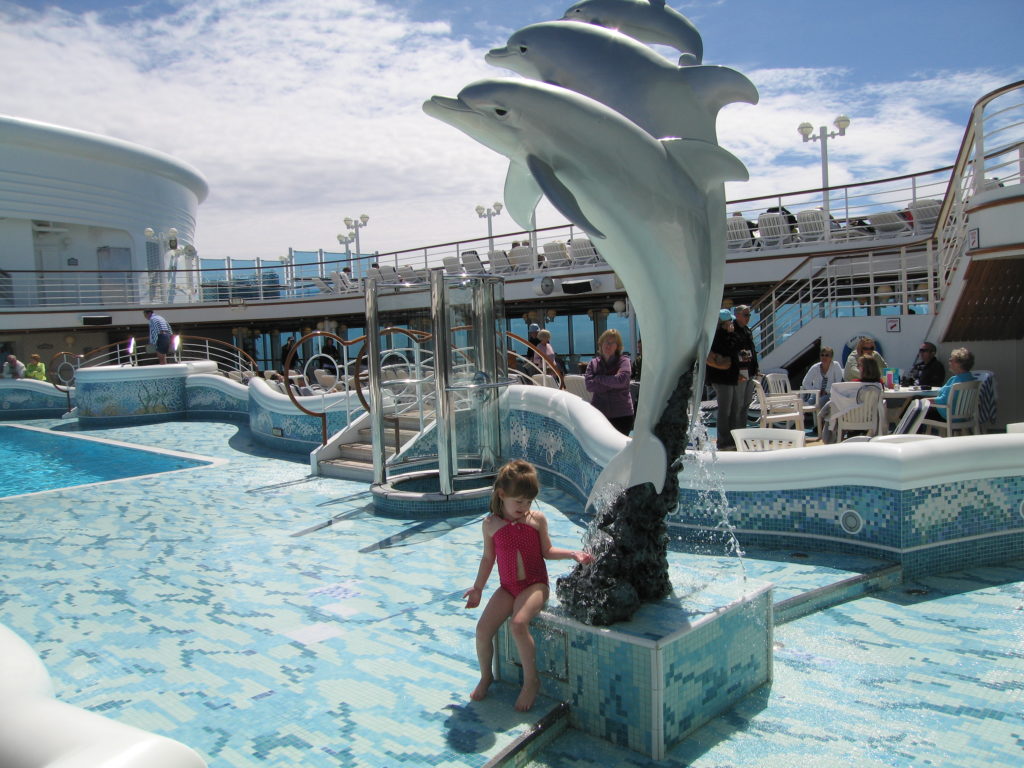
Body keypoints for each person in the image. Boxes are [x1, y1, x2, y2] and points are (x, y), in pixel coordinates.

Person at [463, 460, 592, 712]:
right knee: (482, 630)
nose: (524, 507)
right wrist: (478, 588)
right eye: (518, 501)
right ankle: (486, 676)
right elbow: (488, 559)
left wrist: (572, 554)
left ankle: (531, 681)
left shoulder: (536, 520)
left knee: (518, 623)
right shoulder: (490, 525)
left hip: (535, 585)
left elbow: (547, 551)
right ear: (502, 495)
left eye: (528, 502)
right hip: (507, 587)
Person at [584, 329, 634, 434]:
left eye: (612, 343)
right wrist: (613, 383)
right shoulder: (593, 363)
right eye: (606, 342)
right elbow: (589, 386)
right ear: (601, 344)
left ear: (617, 346)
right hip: (598, 414)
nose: (608, 345)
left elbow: (621, 380)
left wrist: (598, 378)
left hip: (621, 414)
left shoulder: (624, 361)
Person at [706, 309, 742, 450]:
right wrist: (731, 335)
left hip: (729, 377)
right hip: (722, 378)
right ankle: (724, 441)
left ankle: (733, 439)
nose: (732, 324)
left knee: (733, 408)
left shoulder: (725, 335)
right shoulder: (720, 337)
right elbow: (729, 349)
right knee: (725, 410)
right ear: (724, 323)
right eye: (730, 321)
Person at [927, 347, 975, 421]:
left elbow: (943, 401)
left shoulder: (956, 380)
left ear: (959, 363)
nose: (949, 362)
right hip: (964, 417)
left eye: (951, 360)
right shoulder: (971, 379)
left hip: (949, 416)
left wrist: (922, 401)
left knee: (918, 408)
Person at [733, 305, 759, 424]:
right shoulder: (732, 330)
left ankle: (742, 428)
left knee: (747, 402)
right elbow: (730, 351)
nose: (748, 317)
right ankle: (735, 430)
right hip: (740, 371)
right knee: (738, 402)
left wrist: (756, 368)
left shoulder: (747, 330)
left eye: (749, 315)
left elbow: (752, 350)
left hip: (750, 370)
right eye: (746, 315)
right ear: (737, 315)